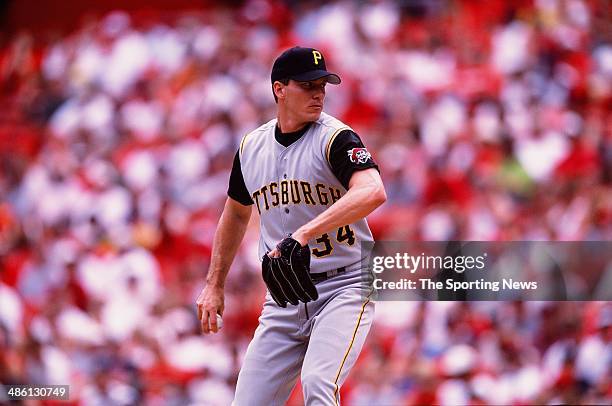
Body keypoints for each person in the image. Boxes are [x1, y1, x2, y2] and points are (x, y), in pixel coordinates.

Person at [196, 46, 386, 405]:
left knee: (317, 385)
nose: (318, 93)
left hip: (343, 286)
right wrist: (214, 284)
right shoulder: (252, 147)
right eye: (307, 85)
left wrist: (304, 233)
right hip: (284, 297)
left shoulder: (335, 138)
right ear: (279, 89)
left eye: (323, 85)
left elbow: (373, 190)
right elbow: (236, 213)